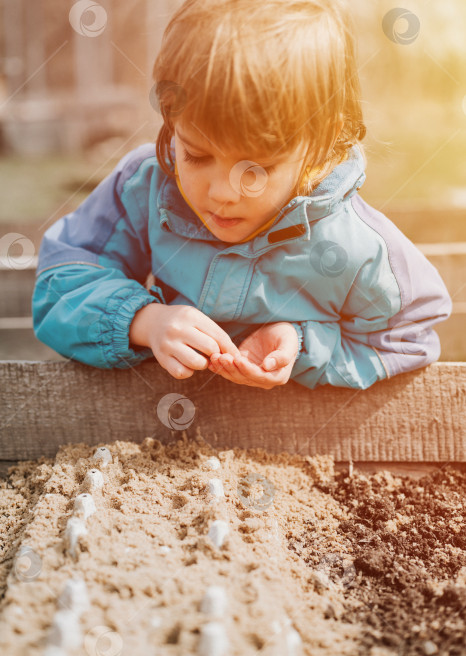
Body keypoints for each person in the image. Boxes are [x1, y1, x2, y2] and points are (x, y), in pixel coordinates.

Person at [32, 0, 452, 391]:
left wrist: (303, 344)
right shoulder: (145, 187)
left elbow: (409, 338)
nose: (221, 193)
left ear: (319, 147)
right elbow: (60, 284)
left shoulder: (355, 243)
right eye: (196, 155)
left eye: (258, 168)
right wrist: (146, 320)